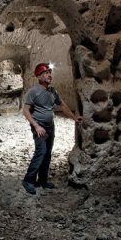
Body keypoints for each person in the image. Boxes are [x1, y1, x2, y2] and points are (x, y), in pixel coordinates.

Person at [22, 62, 82, 195]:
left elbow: (63, 106)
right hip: (40, 127)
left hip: (50, 127)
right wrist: (36, 126)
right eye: (45, 73)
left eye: (49, 72)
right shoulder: (34, 91)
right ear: (38, 76)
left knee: (47, 154)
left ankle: (42, 180)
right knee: (41, 152)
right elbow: (25, 110)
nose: (49, 75)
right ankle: (28, 180)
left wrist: (74, 117)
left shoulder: (52, 91)